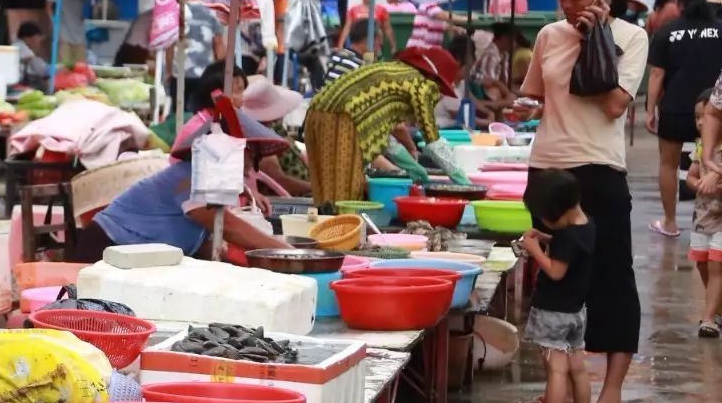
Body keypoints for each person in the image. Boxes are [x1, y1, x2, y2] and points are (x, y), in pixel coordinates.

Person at [516, 0, 648, 403]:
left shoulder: (631, 39)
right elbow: (539, 95)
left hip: (599, 172)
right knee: (555, 287)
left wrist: (597, 38)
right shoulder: (550, 35)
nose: (567, 6)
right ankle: (557, 385)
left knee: (613, 278)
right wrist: (525, 111)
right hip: (548, 170)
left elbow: (614, 105)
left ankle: (610, 397)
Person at [75, 62, 288, 263]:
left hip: (137, 258)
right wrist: (281, 250)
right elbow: (227, 227)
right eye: (250, 154)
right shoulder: (189, 177)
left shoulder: (211, 181)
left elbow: (203, 239)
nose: (251, 164)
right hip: (106, 250)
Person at [303, 46, 462, 205]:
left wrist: (410, 165)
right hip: (342, 120)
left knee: (325, 196)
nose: (439, 96)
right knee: (344, 199)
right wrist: (464, 182)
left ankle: (327, 228)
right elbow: (434, 142)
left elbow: (379, 135)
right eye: (442, 90)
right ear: (435, 80)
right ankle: (339, 229)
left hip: (316, 113)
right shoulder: (423, 85)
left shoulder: (397, 74)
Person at [513, 170, 597, 403]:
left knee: (556, 371)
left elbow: (557, 270)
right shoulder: (586, 225)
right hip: (576, 312)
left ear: (557, 213)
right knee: (578, 369)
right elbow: (569, 250)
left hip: (553, 313)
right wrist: (546, 239)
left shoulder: (566, 237)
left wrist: (535, 251)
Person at [645, 0, 722, 237]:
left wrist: (650, 110)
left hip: (676, 107)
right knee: (714, 161)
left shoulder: (667, 31)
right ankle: (715, 221)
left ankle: (670, 222)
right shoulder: (720, 29)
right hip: (715, 108)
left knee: (668, 164)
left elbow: (656, 75)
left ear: (678, 3)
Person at [686, 87, 722, 336]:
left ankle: (708, 318)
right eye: (697, 117)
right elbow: (690, 176)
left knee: (716, 264)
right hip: (702, 217)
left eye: (705, 116)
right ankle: (717, 307)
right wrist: (698, 183)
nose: (700, 122)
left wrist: (715, 181)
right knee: (702, 264)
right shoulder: (701, 148)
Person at [242, 74, 310, 196]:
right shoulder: (258, 141)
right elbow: (280, 182)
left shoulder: (276, 127)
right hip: (288, 198)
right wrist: (315, 188)